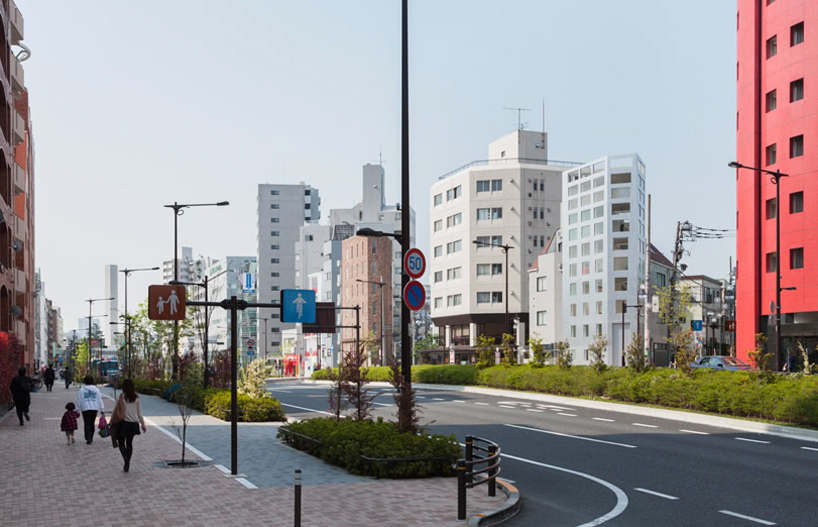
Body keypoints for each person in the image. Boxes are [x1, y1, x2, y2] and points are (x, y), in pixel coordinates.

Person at [112, 378, 146, 472]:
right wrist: (143, 424)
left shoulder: (121, 397)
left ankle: (126, 459)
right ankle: (127, 461)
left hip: (123, 423)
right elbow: (140, 413)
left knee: (121, 443)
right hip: (134, 424)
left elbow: (116, 410)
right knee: (129, 443)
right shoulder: (136, 398)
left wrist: (112, 421)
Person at [76, 375, 105, 444]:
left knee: (87, 423)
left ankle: (88, 437)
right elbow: (99, 399)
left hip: (85, 408)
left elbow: (79, 400)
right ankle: (91, 436)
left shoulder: (82, 390)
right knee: (92, 423)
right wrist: (102, 409)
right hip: (94, 408)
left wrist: (77, 409)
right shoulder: (96, 390)